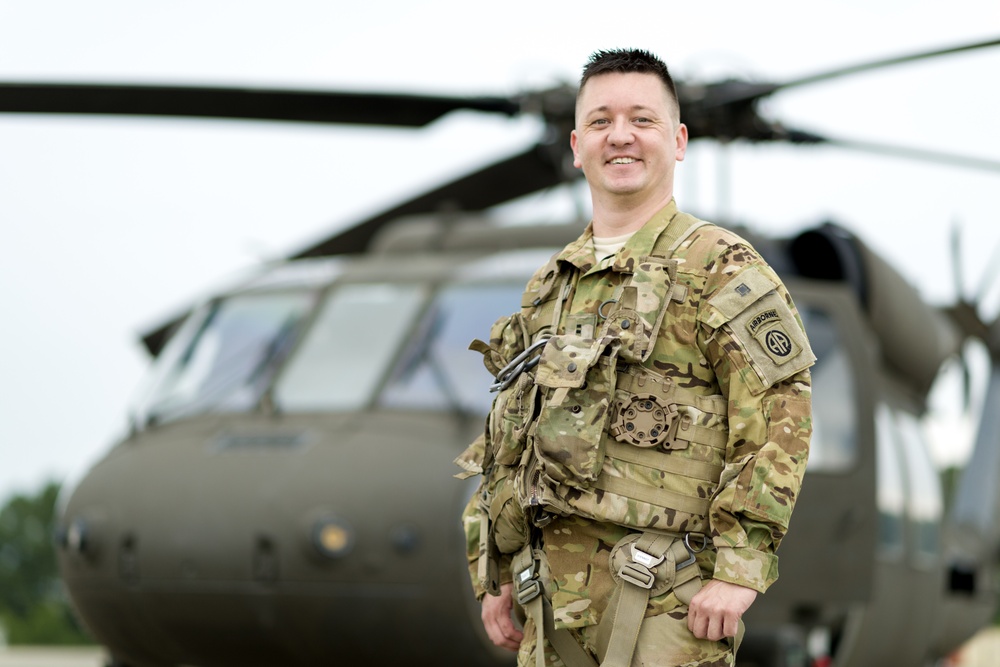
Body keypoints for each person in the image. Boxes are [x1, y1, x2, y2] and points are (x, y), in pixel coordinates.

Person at [455, 48, 814, 667]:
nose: (620, 136)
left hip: (663, 598)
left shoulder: (720, 265)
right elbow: (512, 435)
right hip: (550, 604)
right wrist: (497, 563)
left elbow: (781, 416)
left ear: (677, 140)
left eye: (641, 120)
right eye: (601, 121)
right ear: (576, 145)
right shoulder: (553, 283)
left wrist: (740, 568)